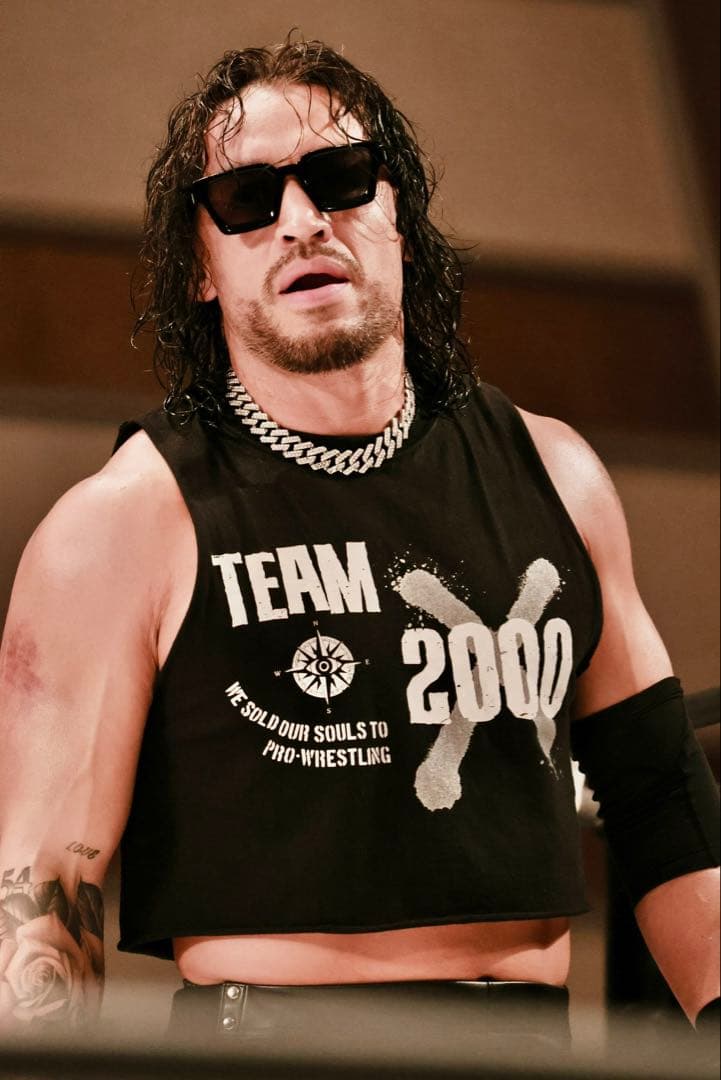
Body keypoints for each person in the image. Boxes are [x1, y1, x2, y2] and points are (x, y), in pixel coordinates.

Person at [0, 38, 718, 1059]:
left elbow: (662, 805)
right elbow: (40, 886)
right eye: (247, 199)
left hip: (531, 1045)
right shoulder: (123, 523)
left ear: (399, 222)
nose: (302, 220)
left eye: (339, 178)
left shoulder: (556, 475)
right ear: (200, 267)